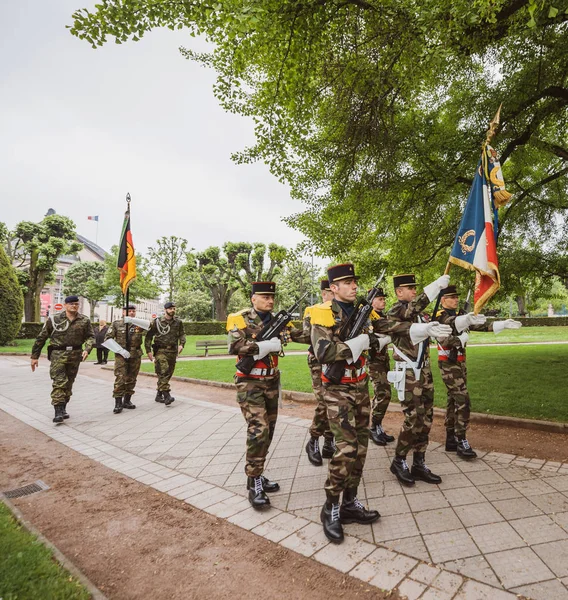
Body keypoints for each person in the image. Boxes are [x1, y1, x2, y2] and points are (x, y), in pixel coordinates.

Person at [310, 263, 388, 544]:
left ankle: (350, 503)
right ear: (334, 288)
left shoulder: (363, 312)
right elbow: (323, 352)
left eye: (355, 282)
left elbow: (377, 334)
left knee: (361, 449)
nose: (354, 286)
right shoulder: (322, 314)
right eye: (347, 283)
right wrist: (353, 346)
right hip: (337, 390)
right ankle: (330, 506)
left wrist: (376, 341)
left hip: (361, 387)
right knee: (345, 448)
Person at [227, 281, 303, 510]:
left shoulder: (280, 321)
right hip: (249, 381)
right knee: (258, 429)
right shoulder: (240, 318)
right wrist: (262, 347)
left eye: (272, 297)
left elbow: (299, 335)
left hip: (271, 379)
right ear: (253, 298)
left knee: (268, 431)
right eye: (264, 296)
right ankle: (253, 483)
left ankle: (257, 474)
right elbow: (233, 346)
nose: (270, 300)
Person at [435, 286, 522, 459]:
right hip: (448, 364)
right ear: (443, 300)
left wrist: (501, 324)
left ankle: (450, 438)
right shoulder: (439, 315)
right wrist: (460, 335)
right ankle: (461, 440)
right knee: (463, 400)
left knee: (453, 400)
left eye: (456, 297)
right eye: (451, 297)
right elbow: (445, 333)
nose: (456, 300)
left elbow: (478, 325)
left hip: (460, 363)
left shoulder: (460, 313)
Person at [385, 274, 453, 487]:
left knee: (426, 419)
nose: (414, 291)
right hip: (408, 373)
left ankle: (419, 462)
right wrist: (433, 288)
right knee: (412, 418)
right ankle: (399, 460)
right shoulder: (396, 312)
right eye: (410, 288)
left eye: (415, 288)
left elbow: (437, 328)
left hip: (424, 372)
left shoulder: (421, 315)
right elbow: (411, 309)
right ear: (399, 292)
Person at [30, 295, 95, 423]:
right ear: (65, 305)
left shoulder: (84, 320)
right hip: (58, 355)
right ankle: (58, 411)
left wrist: (87, 349)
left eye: (76, 304)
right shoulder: (54, 319)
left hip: (75, 355)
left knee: (69, 383)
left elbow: (91, 337)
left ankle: (63, 407)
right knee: (59, 382)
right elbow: (41, 338)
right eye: (71, 304)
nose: (74, 306)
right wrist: (34, 357)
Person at [304, 279, 337, 466]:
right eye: (330, 293)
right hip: (318, 360)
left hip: (335, 361)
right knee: (324, 401)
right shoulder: (313, 311)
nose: (333, 296)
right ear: (325, 294)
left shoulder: (340, 311)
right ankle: (314, 439)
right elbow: (309, 335)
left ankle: (329, 442)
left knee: (333, 400)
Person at [103, 305, 148, 414]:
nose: (132, 313)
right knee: (120, 378)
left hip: (135, 354)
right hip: (121, 355)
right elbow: (107, 339)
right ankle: (118, 402)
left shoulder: (139, 324)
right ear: (123, 312)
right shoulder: (117, 324)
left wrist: (134, 320)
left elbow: (149, 326)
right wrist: (120, 350)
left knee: (132, 378)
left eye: (133, 311)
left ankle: (127, 400)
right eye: (129, 311)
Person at [368, 288, 396, 446]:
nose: (383, 301)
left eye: (383, 298)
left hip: (383, 360)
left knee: (383, 393)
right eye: (379, 299)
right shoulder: (369, 318)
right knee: (383, 393)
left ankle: (377, 426)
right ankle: (373, 427)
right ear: (372, 301)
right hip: (374, 361)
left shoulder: (383, 316)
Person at [145, 301, 186, 406]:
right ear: (165, 310)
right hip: (160, 351)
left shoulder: (178, 322)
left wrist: (182, 344)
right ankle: (167, 395)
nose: (172, 310)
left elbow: (182, 334)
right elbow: (149, 336)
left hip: (172, 351)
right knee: (164, 370)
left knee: (168, 373)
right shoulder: (157, 322)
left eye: (174, 308)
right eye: (170, 308)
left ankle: (159, 395)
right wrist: (148, 351)